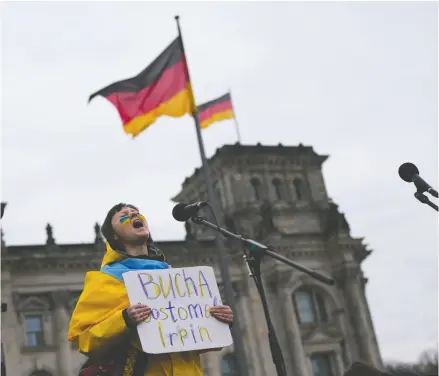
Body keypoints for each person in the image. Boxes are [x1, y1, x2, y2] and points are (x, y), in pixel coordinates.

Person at [68, 203, 234, 376]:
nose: (133, 215)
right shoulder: (105, 280)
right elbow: (83, 340)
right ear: (114, 236)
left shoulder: (172, 278)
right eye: (124, 215)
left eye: (136, 213)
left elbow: (198, 341)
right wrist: (125, 319)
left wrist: (220, 322)